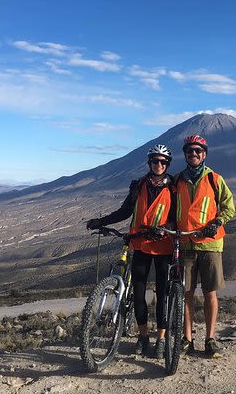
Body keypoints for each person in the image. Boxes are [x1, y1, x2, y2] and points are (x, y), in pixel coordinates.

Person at [86, 144, 175, 358]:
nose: (159, 165)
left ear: (168, 164)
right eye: (155, 161)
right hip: (141, 245)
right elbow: (126, 211)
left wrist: (167, 229)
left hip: (163, 247)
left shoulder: (174, 187)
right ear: (149, 163)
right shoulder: (139, 185)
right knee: (138, 295)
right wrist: (102, 221)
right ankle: (143, 337)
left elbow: (177, 216)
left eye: (163, 161)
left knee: (162, 295)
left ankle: (161, 339)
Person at [174, 134, 235, 358]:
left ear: (204, 154)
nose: (194, 154)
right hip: (186, 243)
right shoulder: (177, 180)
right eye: (190, 151)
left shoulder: (215, 179)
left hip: (210, 244)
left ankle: (210, 339)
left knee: (210, 293)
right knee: (186, 294)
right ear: (185, 154)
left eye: (198, 151)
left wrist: (217, 222)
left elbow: (229, 207)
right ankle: (187, 339)